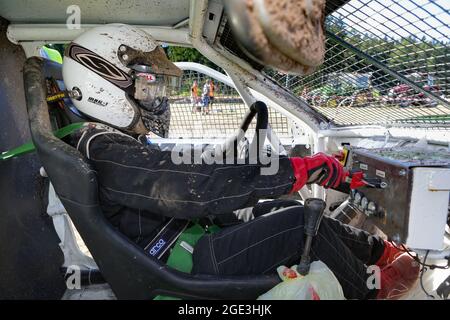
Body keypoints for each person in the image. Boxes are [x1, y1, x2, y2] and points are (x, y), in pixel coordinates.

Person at [63, 24, 419, 300]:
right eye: (145, 87)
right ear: (104, 83)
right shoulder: (106, 148)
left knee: (279, 206)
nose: (155, 98)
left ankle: (379, 254)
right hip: (185, 264)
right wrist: (297, 170)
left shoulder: (103, 141)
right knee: (297, 222)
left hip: (184, 243)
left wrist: (268, 168)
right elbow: (187, 188)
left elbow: (177, 170)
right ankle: (373, 290)